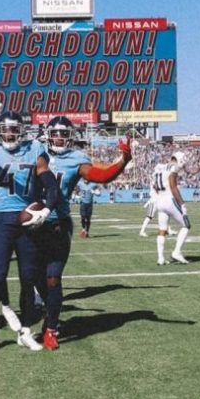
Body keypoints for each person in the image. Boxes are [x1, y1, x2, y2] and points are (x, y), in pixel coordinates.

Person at [33, 116, 132, 350]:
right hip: (33, 225)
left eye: (63, 133)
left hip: (58, 223)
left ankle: (51, 329)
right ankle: (49, 313)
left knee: (53, 278)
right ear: (47, 134)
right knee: (34, 278)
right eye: (55, 133)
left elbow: (101, 176)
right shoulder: (35, 151)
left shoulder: (76, 158)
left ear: (71, 136)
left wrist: (124, 160)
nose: (59, 137)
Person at [0, 104, 57, 351]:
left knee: (27, 279)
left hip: (25, 222)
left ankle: (25, 331)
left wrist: (47, 207)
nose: (9, 134)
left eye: (14, 130)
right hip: (0, 220)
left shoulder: (34, 150)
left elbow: (47, 177)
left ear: (22, 131)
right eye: (5, 130)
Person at [153, 152, 191, 265]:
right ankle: (177, 252)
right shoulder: (173, 167)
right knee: (186, 225)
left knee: (162, 230)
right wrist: (182, 204)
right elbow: (173, 187)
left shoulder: (160, 167)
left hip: (160, 200)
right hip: (169, 200)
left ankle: (160, 258)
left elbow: (155, 187)